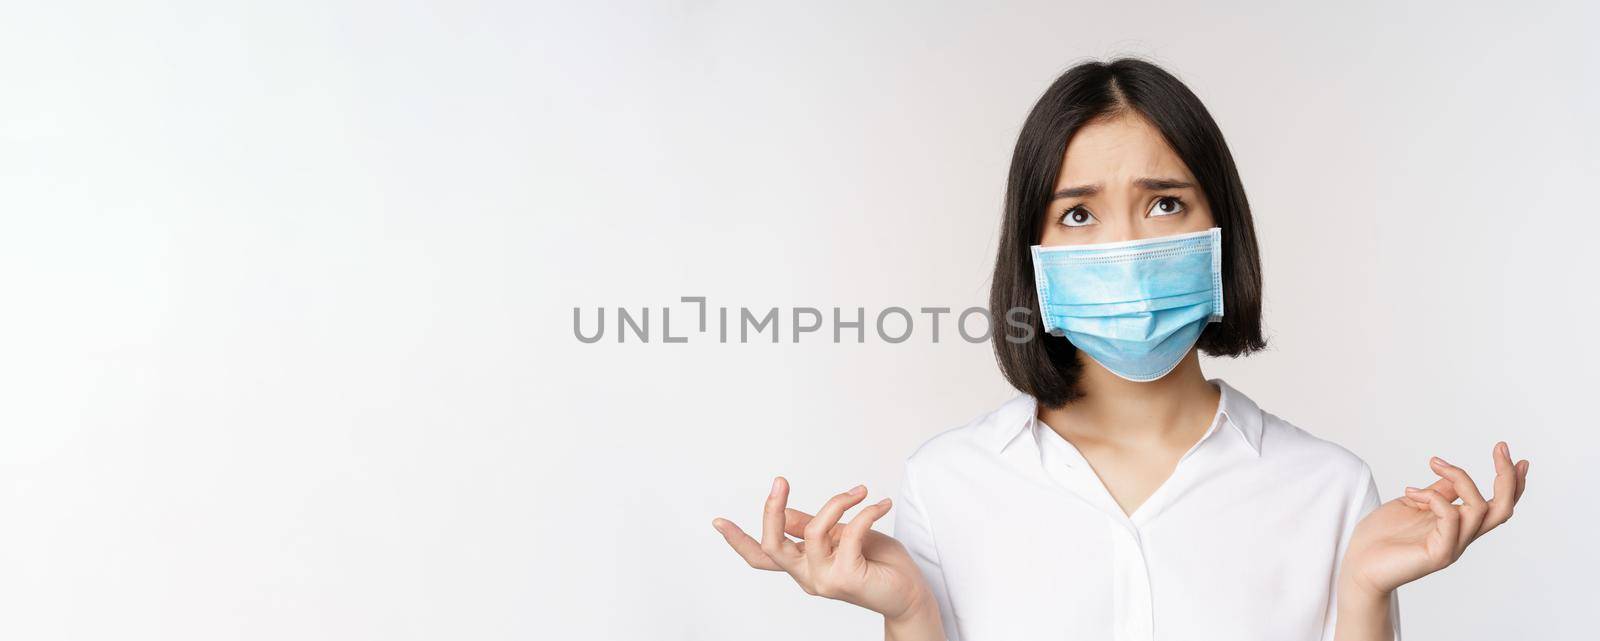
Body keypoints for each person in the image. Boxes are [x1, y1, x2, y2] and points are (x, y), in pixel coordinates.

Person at [710, 58, 1529, 641]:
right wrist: (910, 615)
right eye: (1078, 214)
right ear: (1030, 252)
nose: (1128, 245)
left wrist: (1361, 600)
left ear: (1219, 228)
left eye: (1165, 202)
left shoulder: (1331, 490)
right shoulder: (947, 484)